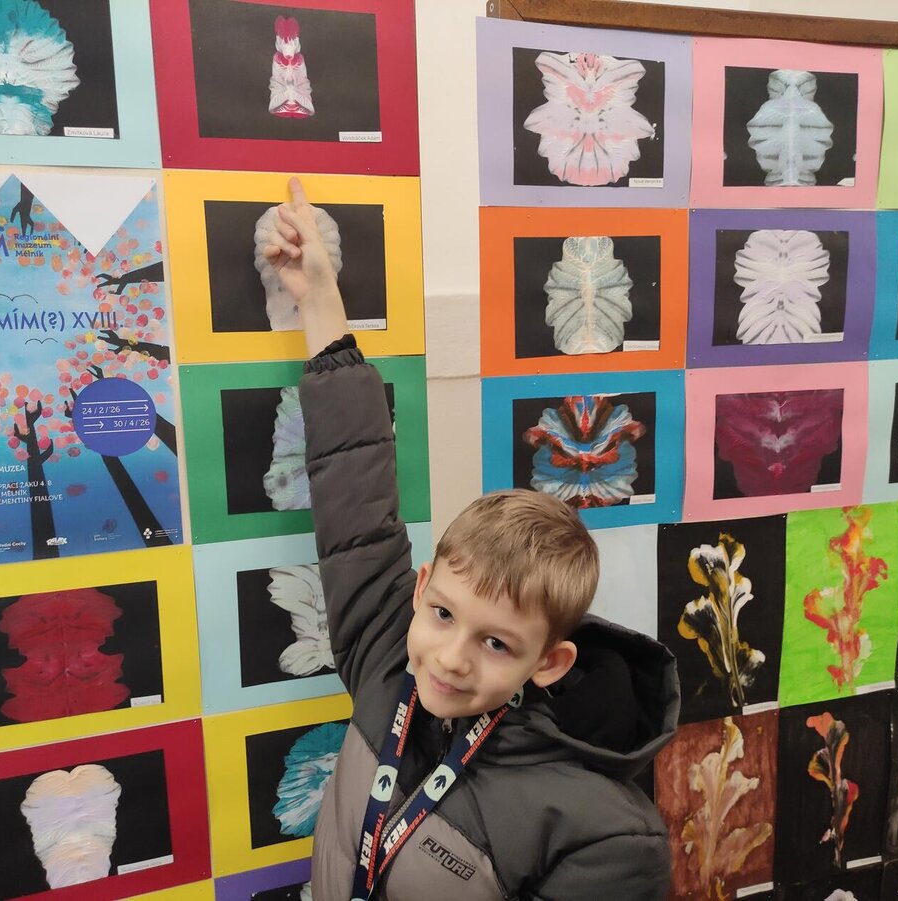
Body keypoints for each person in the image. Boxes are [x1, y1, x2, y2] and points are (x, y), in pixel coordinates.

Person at [262, 177, 679, 900]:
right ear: (421, 589)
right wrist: (319, 300)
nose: (451, 658)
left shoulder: (605, 833)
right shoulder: (388, 659)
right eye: (444, 614)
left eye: (497, 643)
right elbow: (354, 496)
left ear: (549, 661)